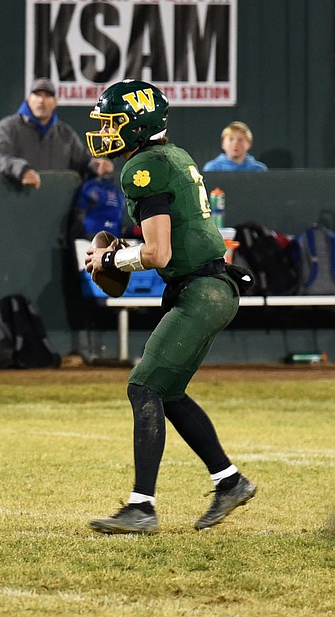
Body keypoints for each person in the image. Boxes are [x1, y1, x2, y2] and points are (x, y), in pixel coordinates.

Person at [83, 79, 257, 534]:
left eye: (113, 122)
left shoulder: (143, 166)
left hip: (201, 290)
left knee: (143, 387)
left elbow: (157, 254)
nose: (105, 131)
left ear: (138, 124)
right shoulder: (173, 155)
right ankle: (230, 482)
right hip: (212, 287)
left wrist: (109, 258)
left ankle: (142, 507)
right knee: (168, 391)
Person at [0, 77, 113, 189]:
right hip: (16, 200)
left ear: (55, 102)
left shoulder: (65, 133)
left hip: (54, 205)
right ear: (28, 99)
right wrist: (21, 170)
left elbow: (84, 160)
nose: (42, 100)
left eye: (47, 95)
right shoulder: (8, 127)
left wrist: (97, 164)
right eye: (37, 94)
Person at [202, 121, 268, 172]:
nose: (235, 144)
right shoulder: (212, 168)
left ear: (249, 144)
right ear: (223, 144)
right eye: (231, 139)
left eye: (240, 140)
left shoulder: (259, 170)